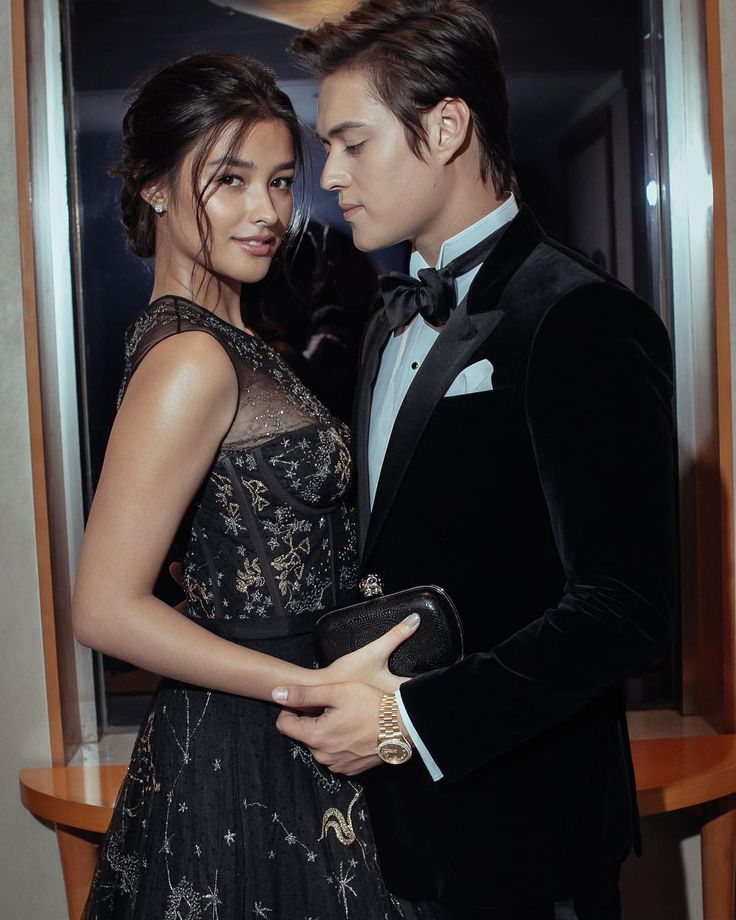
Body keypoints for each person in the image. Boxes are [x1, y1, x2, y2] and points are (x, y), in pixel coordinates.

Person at [271, 3, 677, 918]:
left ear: (447, 127)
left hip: (527, 835)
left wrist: (405, 722)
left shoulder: (580, 316)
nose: (328, 176)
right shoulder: (383, 322)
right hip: (397, 837)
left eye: (352, 143)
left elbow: (627, 610)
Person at [72, 52, 433, 920]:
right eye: (229, 180)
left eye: (278, 181)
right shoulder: (191, 358)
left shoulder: (226, 340)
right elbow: (104, 609)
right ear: (155, 186)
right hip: (250, 749)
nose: (267, 211)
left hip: (275, 731)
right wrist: (308, 689)